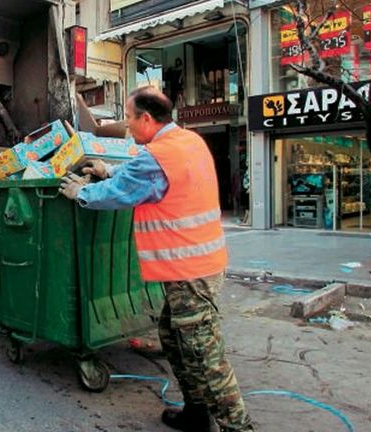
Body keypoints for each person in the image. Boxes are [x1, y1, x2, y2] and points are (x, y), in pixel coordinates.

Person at [59, 86, 254, 432]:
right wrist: (108, 169)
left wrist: (82, 192)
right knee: (173, 335)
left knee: (203, 353)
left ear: (147, 119)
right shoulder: (187, 142)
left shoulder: (158, 156)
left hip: (190, 271)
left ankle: (238, 427)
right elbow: (141, 175)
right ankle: (196, 413)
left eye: (130, 119)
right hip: (199, 265)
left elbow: (122, 192)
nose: (127, 126)